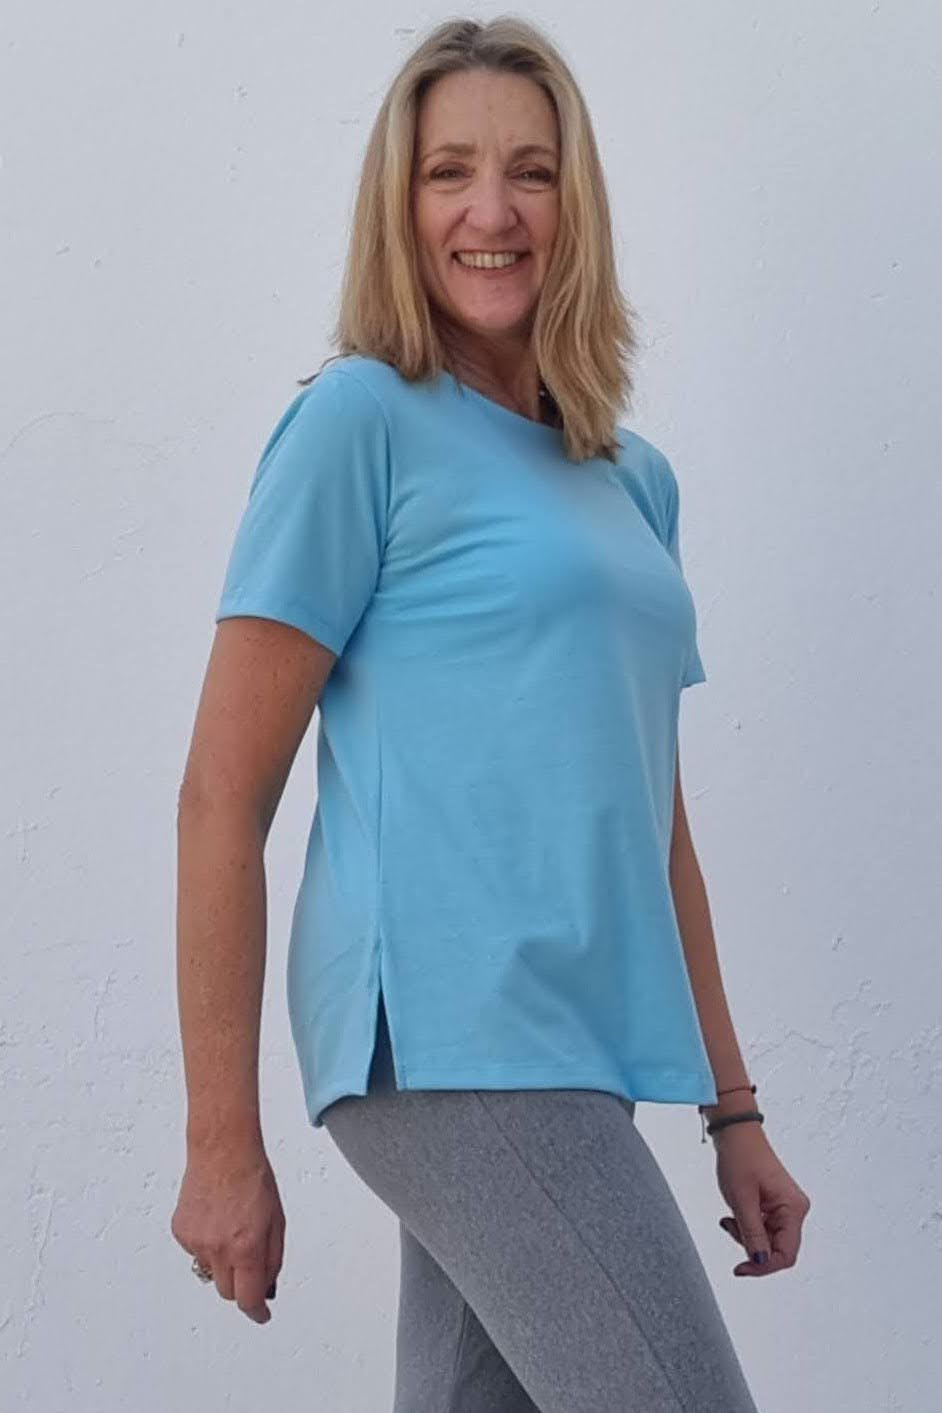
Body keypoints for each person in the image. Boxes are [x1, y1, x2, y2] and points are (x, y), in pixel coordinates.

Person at [171, 15, 811, 1410]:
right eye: (447, 171)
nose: (492, 211)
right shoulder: (358, 423)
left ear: (576, 204)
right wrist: (221, 1142)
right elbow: (223, 797)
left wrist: (734, 1109)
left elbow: (654, 816)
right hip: (445, 1034)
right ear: (397, 209)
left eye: (531, 170)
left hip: (580, 1047)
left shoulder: (630, 479)